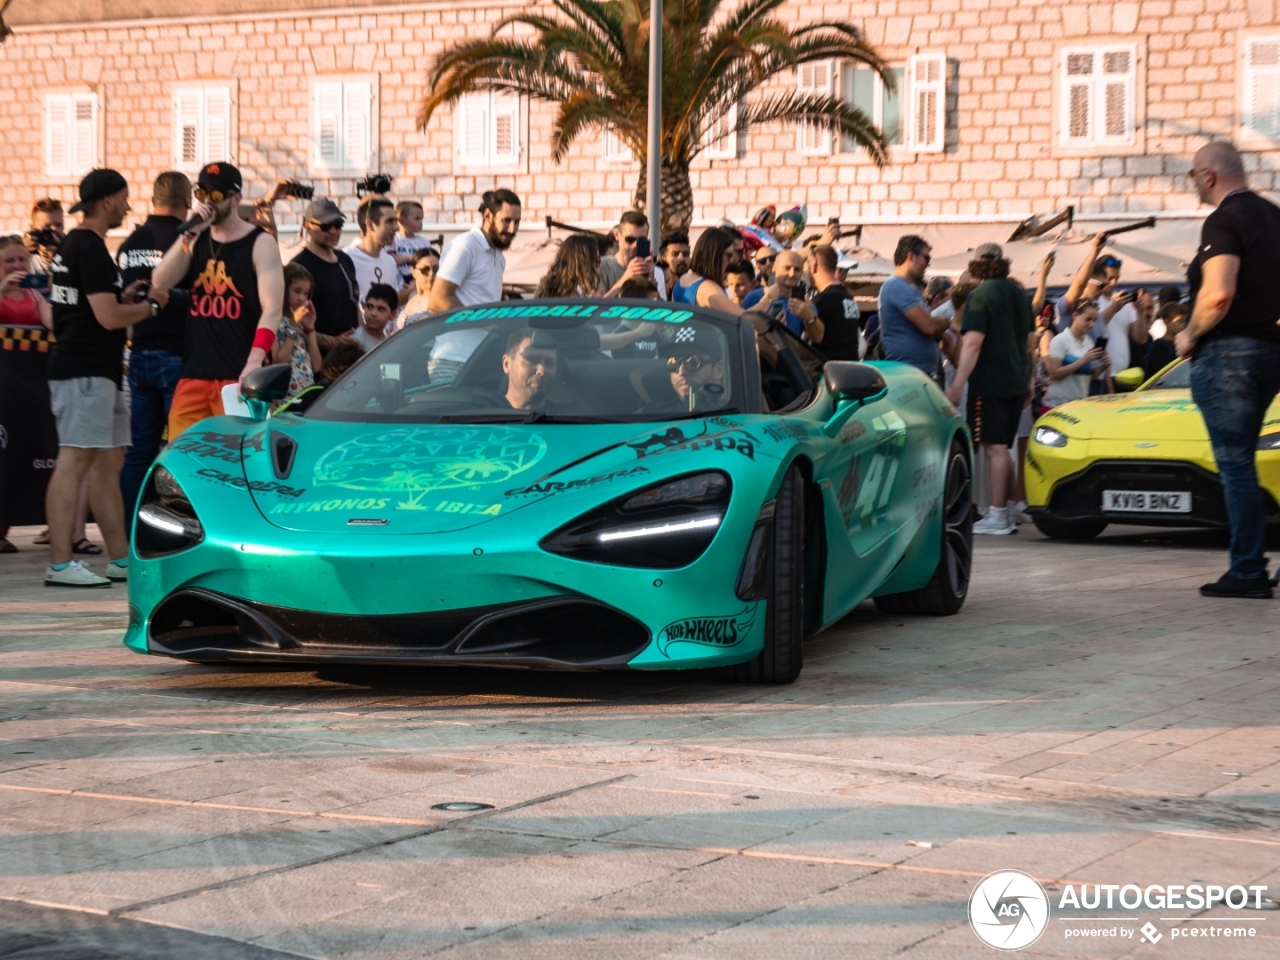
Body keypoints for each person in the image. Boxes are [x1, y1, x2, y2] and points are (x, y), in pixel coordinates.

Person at [44, 169, 168, 587]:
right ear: (109, 202)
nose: (130, 207)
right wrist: (151, 306)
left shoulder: (75, 245)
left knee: (106, 467)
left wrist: (126, 298)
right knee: (74, 462)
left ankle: (119, 558)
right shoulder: (90, 247)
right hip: (84, 372)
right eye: (125, 198)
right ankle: (60, 565)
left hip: (98, 371)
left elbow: (96, 307)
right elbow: (108, 317)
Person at [1176, 141, 1280, 599]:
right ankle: (1251, 563)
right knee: (1249, 463)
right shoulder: (1274, 216)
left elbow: (1218, 294)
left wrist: (1189, 335)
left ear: (1209, 175)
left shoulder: (1224, 219)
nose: (1194, 183)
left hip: (1229, 354)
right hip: (1272, 351)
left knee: (1236, 465)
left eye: (1192, 175)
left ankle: (1247, 570)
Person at [152, 162, 285, 439]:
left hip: (236, 376)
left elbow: (272, 308)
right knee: (183, 458)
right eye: (202, 193)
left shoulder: (260, 243)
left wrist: (254, 360)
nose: (207, 202)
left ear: (236, 198)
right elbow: (160, 282)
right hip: (194, 374)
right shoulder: (195, 239)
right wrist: (189, 233)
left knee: (240, 460)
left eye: (215, 195)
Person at [116, 171, 192, 518]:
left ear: (153, 200)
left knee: (139, 451)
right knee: (181, 450)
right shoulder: (188, 241)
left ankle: (132, 526)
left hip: (140, 351)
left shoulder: (130, 243)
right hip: (178, 354)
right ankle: (179, 528)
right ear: (188, 200)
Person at [945, 252, 1034, 536]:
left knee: (993, 448)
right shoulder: (1019, 294)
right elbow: (1030, 341)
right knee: (1003, 449)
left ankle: (996, 515)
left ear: (977, 273)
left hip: (990, 383)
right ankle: (1006, 509)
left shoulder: (980, 295)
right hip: (1016, 380)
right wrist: (1029, 379)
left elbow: (972, 343)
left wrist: (958, 384)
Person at [430, 189, 521, 312]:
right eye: (506, 221)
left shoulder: (499, 256)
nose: (512, 229)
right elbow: (437, 300)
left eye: (517, 222)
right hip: (463, 331)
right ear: (487, 215)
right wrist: (477, 324)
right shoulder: (465, 247)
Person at [878, 235, 950, 378]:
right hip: (907, 373)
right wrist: (946, 322)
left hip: (916, 372)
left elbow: (931, 330)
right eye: (926, 258)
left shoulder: (911, 288)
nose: (927, 265)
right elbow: (929, 326)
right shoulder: (896, 286)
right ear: (910, 256)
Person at [290, 198, 359, 343]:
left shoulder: (345, 259)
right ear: (307, 226)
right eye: (326, 226)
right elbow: (291, 320)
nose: (333, 231)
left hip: (352, 352)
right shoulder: (300, 266)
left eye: (338, 224)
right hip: (319, 357)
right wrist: (329, 341)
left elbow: (354, 304)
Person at [742, 249, 823, 341]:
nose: (792, 274)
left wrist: (810, 318)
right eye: (787, 268)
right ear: (774, 268)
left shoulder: (804, 302)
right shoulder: (755, 297)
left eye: (797, 269)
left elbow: (818, 338)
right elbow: (740, 330)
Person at [1043, 301, 1111, 409]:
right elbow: (1054, 374)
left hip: (1077, 406)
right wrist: (1083, 361)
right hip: (1056, 406)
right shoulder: (1060, 340)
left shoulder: (1088, 342)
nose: (1092, 324)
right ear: (1075, 315)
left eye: (1094, 320)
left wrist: (1103, 367)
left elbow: (1086, 377)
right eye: (1088, 319)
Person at [271, 262, 322, 402]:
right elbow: (279, 361)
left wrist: (310, 329)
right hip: (283, 398)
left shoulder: (300, 322)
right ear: (284, 288)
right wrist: (294, 326)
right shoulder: (273, 320)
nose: (302, 298)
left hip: (304, 394)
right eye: (297, 291)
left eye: (306, 293)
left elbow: (317, 366)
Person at [646, 330, 724, 414]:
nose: (681, 372)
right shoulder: (651, 413)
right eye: (673, 363)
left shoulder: (735, 411)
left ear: (718, 369)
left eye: (693, 362)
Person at [348, 197, 407, 306]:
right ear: (370, 224)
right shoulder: (346, 259)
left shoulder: (389, 261)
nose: (396, 227)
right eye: (389, 221)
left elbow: (391, 303)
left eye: (396, 221)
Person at [673, 228, 747, 314]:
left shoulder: (682, 279)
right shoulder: (708, 288)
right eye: (729, 255)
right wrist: (766, 297)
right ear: (715, 255)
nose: (730, 261)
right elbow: (745, 318)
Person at [599, 211, 667, 298]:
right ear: (617, 235)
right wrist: (626, 278)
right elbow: (597, 307)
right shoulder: (601, 266)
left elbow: (661, 309)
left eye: (641, 240)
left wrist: (651, 282)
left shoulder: (655, 271)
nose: (635, 245)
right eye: (630, 239)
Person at [809, 244, 860, 359]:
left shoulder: (822, 300)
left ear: (814, 267)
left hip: (829, 371)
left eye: (846, 270)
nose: (845, 274)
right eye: (842, 269)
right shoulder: (849, 298)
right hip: (851, 369)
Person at [0, 234, 53, 328]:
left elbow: (54, 326)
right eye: (9, 261)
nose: (17, 265)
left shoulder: (34, 294)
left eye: (21, 259)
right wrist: (2, 289)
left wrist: (58, 287)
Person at [500, 328, 559, 411]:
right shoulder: (482, 412)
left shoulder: (568, 418)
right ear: (506, 364)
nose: (541, 371)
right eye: (531, 360)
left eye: (549, 363)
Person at [536, 234, 603, 298]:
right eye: (595, 258)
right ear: (582, 262)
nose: (600, 261)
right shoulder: (566, 295)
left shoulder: (578, 288)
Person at [393, 246, 439, 332]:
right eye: (425, 270)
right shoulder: (412, 295)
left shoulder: (441, 300)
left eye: (436, 269)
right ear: (413, 271)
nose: (431, 274)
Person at [348, 283, 397, 352]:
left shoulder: (388, 342)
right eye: (370, 307)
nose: (373, 313)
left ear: (392, 314)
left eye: (381, 309)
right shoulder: (356, 341)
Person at [25, 197, 65, 283]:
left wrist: (60, 256)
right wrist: (22, 253)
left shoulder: (74, 251)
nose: (54, 230)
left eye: (58, 225)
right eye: (47, 226)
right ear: (33, 229)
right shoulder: (25, 257)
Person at [1143, 301, 1187, 378]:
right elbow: (1163, 376)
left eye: (1185, 322)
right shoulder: (1160, 348)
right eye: (1180, 322)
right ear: (1167, 322)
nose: (1184, 325)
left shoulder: (1176, 345)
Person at [392, 200, 431, 287]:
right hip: (398, 281)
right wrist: (409, 257)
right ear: (402, 221)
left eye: (422, 218)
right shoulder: (393, 239)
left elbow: (429, 261)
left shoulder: (424, 241)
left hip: (418, 280)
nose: (421, 222)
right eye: (417, 219)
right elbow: (391, 259)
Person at [660, 232, 690, 297]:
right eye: (675, 254)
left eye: (686, 254)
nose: (681, 258)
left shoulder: (696, 288)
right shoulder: (658, 290)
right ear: (663, 259)